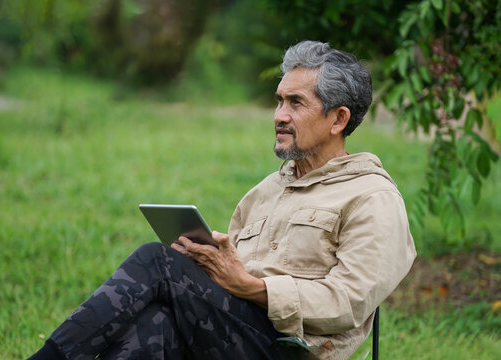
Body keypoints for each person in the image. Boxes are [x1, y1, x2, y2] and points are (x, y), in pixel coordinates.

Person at [28, 40, 416, 360]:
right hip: (238, 331)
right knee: (156, 323)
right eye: (279, 101)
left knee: (158, 261)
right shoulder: (266, 191)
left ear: (338, 119)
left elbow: (348, 302)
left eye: (296, 103)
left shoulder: (372, 197)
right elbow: (232, 276)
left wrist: (254, 288)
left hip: (290, 349)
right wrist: (212, 265)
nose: (280, 115)